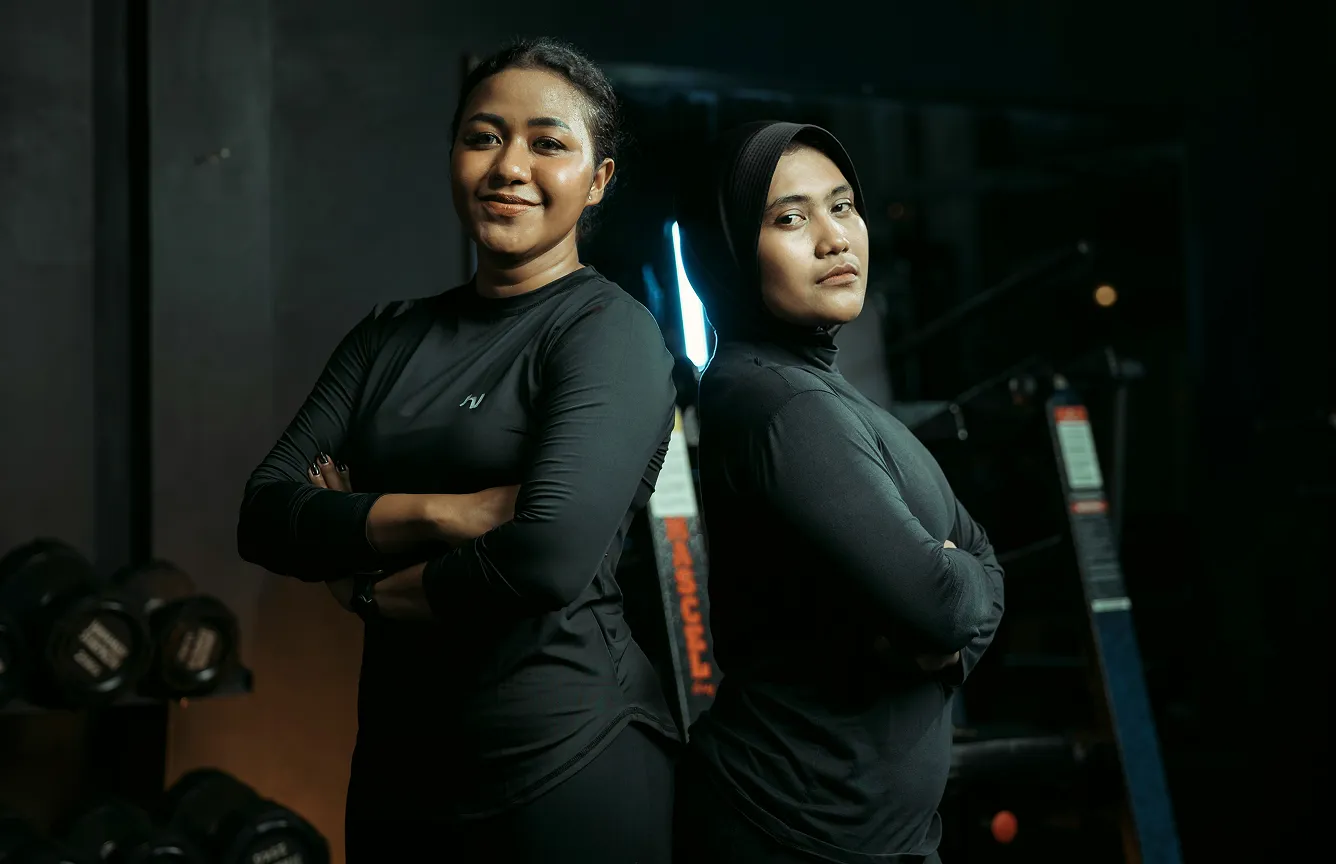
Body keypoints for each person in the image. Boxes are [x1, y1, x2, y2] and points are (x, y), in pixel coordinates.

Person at [236, 38, 680, 863]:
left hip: (565, 769)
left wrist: (364, 577)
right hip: (400, 776)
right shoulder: (387, 336)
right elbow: (264, 515)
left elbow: (547, 553)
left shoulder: (605, 331)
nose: (509, 165)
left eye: (548, 143)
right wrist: (456, 512)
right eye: (484, 136)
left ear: (599, 180)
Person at [671, 121, 1006, 863]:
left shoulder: (818, 389)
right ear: (729, 250)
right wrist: (951, 592)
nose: (834, 238)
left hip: (868, 834)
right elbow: (948, 597)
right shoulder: (783, 405)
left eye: (843, 205)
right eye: (790, 218)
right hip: (797, 835)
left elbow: (978, 568)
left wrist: (949, 616)